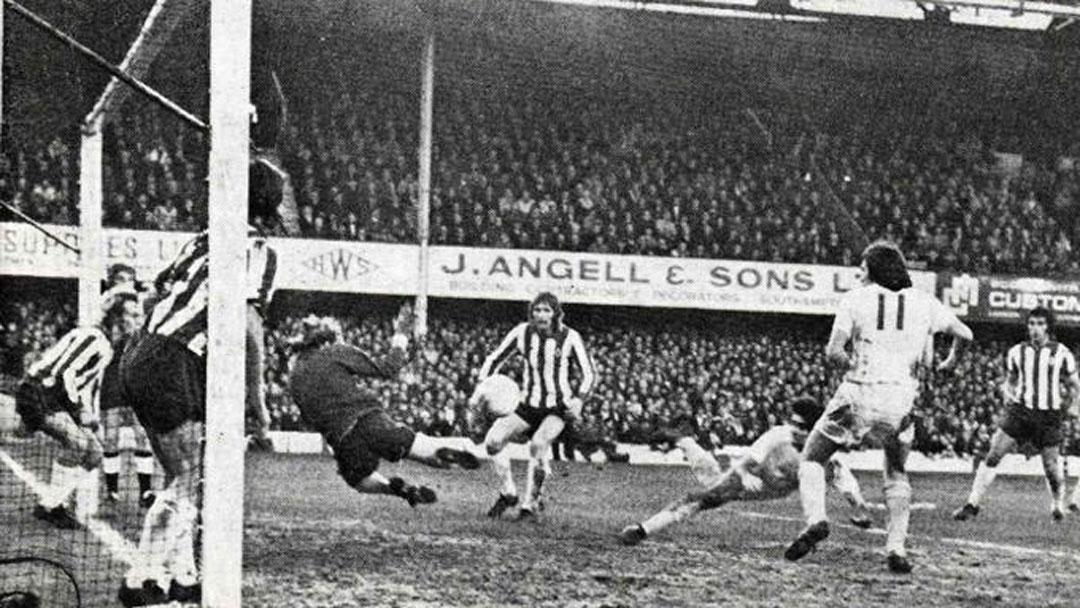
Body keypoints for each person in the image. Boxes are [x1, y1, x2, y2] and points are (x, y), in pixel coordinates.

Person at [784, 241, 972, 574]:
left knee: (812, 456)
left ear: (871, 269)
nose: (858, 270)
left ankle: (816, 521)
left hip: (860, 392)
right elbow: (965, 333)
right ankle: (896, 549)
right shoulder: (924, 301)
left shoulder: (856, 298)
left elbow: (833, 352)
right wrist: (949, 362)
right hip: (901, 400)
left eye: (861, 264)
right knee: (897, 471)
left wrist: (854, 362)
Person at [287, 305, 480, 505]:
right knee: (414, 447)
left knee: (359, 480)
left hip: (342, 439)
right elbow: (388, 368)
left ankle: (399, 489)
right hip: (369, 420)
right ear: (326, 339)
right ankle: (439, 451)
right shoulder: (334, 352)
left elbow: (309, 418)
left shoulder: (294, 378)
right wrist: (401, 334)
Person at [620, 396, 873, 545]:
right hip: (751, 477)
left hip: (773, 489)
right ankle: (643, 529)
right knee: (705, 497)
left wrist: (860, 510)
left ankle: (686, 443)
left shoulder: (826, 453)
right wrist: (743, 476)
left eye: (799, 425)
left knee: (711, 480)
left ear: (812, 428)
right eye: (792, 422)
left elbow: (846, 484)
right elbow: (747, 462)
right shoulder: (778, 435)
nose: (793, 427)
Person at [14, 291, 140, 529]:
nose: (139, 319)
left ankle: (53, 503)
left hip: (57, 396)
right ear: (117, 317)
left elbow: (87, 385)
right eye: (133, 314)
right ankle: (50, 506)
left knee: (94, 453)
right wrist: (80, 411)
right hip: (39, 391)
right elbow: (64, 373)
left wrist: (90, 416)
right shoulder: (94, 337)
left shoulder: (108, 346)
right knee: (78, 445)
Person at [473, 292, 596, 521]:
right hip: (528, 405)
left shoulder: (570, 337)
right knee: (493, 441)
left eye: (547, 310)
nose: (541, 314)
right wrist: (482, 388)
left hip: (558, 408)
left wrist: (579, 399)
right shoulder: (522, 333)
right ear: (532, 313)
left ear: (556, 313)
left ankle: (530, 504)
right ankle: (508, 492)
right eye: (537, 310)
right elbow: (495, 359)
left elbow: (589, 373)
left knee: (538, 444)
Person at [953, 307, 1079, 522]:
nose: (1035, 328)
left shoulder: (1061, 353)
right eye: (1031, 324)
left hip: (1049, 416)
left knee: (1050, 467)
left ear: (1048, 327)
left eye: (1040, 324)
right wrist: (1008, 395)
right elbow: (1010, 382)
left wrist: (1075, 405)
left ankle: (1058, 503)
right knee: (993, 454)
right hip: (1020, 411)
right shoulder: (1017, 352)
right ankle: (972, 503)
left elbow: (1075, 384)